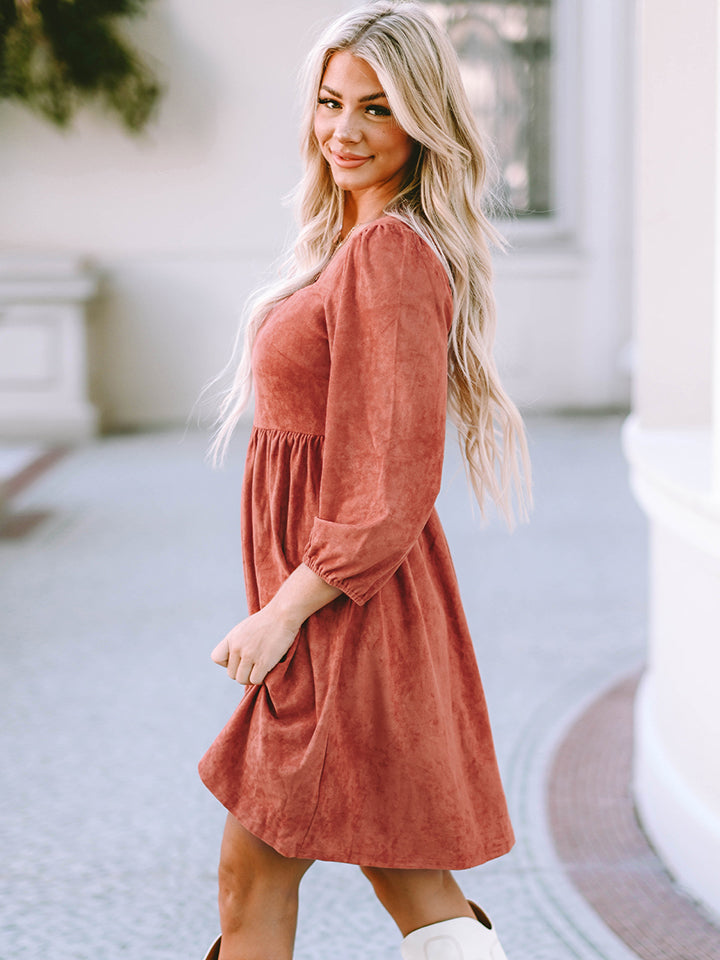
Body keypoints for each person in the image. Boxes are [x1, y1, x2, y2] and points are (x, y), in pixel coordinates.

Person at [198, 3, 531, 958]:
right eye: (330, 102)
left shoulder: (388, 255)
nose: (343, 131)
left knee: (256, 867)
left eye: (376, 109)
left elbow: (389, 484)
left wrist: (280, 614)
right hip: (337, 606)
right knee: (407, 872)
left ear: (422, 119)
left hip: (345, 610)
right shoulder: (352, 242)